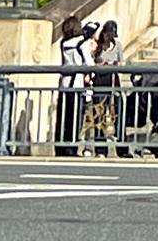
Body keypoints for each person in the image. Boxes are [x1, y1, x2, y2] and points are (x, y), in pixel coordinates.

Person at [53, 16, 92, 156]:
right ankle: (71, 147)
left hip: (65, 83)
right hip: (77, 83)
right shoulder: (82, 42)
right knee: (75, 118)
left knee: (63, 117)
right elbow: (89, 63)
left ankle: (60, 146)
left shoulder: (64, 42)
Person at [90, 19, 127, 156]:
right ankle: (100, 149)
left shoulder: (117, 46)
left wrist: (114, 64)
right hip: (100, 79)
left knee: (118, 112)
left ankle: (122, 149)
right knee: (99, 114)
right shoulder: (97, 46)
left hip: (113, 79)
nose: (110, 38)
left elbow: (121, 63)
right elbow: (92, 61)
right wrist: (101, 64)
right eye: (108, 35)